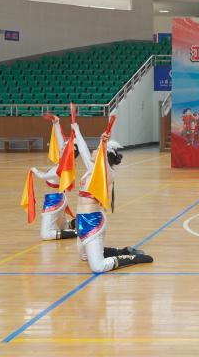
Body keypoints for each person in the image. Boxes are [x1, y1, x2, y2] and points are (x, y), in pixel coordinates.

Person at [71, 122, 153, 271]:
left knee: (98, 267)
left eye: (97, 150)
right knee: (84, 256)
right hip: (81, 219)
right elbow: (83, 150)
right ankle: (121, 251)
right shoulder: (91, 169)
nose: (93, 151)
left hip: (93, 221)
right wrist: (76, 130)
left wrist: (103, 143)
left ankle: (133, 258)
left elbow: (103, 162)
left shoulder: (107, 174)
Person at [29, 115, 77, 240]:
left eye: (64, 148)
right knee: (64, 226)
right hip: (58, 198)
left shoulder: (61, 169)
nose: (61, 147)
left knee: (45, 235)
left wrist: (33, 170)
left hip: (54, 200)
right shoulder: (64, 163)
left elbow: (42, 176)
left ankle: (77, 233)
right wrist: (56, 123)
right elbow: (60, 141)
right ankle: (77, 223)